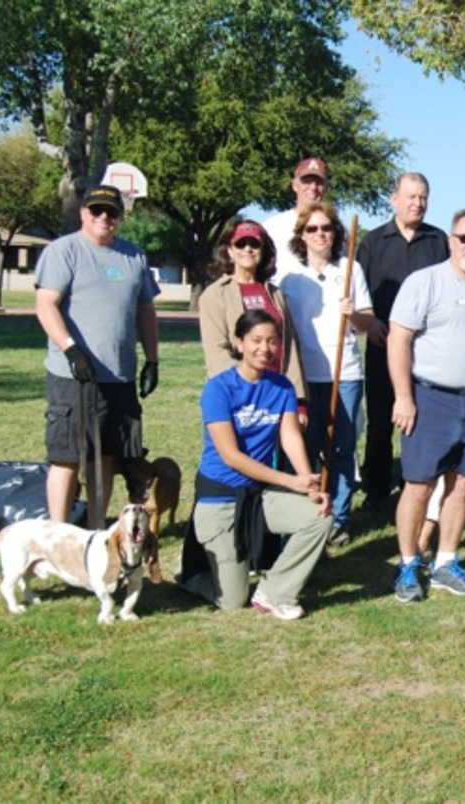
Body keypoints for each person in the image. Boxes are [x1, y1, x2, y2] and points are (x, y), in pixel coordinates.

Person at [387, 209, 465, 602]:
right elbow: (398, 340)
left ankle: (445, 562)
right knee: (419, 486)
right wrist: (404, 396)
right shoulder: (424, 282)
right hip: (429, 398)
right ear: (451, 240)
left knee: (462, 487)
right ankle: (408, 567)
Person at [179, 309, 332, 620]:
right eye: (256, 340)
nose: (265, 348)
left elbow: (290, 438)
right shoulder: (218, 389)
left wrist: (309, 483)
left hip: (259, 494)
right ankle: (192, 577)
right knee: (233, 601)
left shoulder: (282, 386)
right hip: (219, 499)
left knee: (320, 517)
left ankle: (275, 592)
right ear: (239, 343)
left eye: (273, 341)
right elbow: (230, 456)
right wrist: (290, 482)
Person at [34, 184, 159, 527]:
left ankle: (95, 530)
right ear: (83, 213)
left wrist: (152, 359)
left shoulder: (134, 256)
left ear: (121, 216)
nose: (105, 217)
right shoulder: (65, 251)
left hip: (119, 375)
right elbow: (45, 305)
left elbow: (145, 309)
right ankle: (58, 536)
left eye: (112, 212)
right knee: (68, 458)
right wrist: (71, 349)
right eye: (97, 211)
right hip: (74, 375)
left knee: (105, 457)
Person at [278, 202, 375, 546]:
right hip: (303, 378)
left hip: (344, 374)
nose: (320, 234)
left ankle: (340, 517)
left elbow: (368, 324)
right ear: (301, 236)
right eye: (313, 229)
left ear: (336, 234)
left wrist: (353, 314)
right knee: (305, 446)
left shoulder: (350, 270)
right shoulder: (289, 278)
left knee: (342, 448)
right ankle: (305, 513)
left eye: (326, 228)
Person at [358, 172, 450, 512]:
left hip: (426, 349)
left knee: (421, 419)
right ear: (394, 198)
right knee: (380, 419)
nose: (418, 203)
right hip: (383, 343)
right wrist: (371, 324)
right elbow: (359, 291)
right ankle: (377, 488)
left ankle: (416, 484)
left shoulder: (439, 241)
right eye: (411, 196)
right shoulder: (373, 242)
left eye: (423, 196)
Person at [198, 221, 306, 405]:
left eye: (254, 244)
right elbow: (216, 352)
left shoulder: (276, 294)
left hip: (279, 393)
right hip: (238, 395)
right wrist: (250, 387)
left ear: (263, 250)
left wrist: (299, 399)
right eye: (240, 243)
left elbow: (289, 347)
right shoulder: (215, 295)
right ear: (229, 251)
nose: (247, 249)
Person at [263, 157, 329, 277]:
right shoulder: (273, 226)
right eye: (307, 181)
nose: (313, 187)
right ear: (294, 185)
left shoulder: (334, 230)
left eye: (319, 182)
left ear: (326, 187)